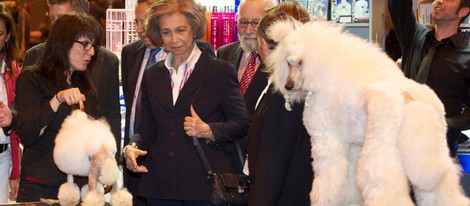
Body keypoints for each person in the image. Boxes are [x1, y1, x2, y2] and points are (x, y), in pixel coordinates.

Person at [123, 0, 250, 205]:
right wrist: (132, 147)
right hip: (160, 186)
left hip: (203, 184)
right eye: (166, 32)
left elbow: (242, 123)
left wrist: (209, 130)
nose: (174, 39)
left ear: (194, 28)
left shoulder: (219, 71)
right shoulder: (152, 75)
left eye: (180, 30)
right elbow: (146, 129)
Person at [15, 12, 102, 202]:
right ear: (63, 42)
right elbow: (27, 134)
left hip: (78, 188)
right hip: (40, 186)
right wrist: (57, 100)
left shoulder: (85, 85)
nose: (92, 52)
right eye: (85, 44)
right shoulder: (32, 78)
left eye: (93, 46)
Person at [23, 0, 121, 160]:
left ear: (82, 19)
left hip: (89, 160)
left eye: (62, 19)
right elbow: (25, 109)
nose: (55, 26)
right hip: (43, 159)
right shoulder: (34, 56)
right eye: (53, 19)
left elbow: (112, 116)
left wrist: (111, 161)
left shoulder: (107, 61)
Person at [247, 3, 313, 205]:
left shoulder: (286, 89)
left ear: (263, 43)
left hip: (284, 195)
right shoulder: (300, 80)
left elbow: (275, 160)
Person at [389, 0, 470, 157]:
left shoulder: (467, 54)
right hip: (400, 145)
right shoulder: (413, 36)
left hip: (440, 152)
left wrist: (446, 124)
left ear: (463, 11)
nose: (439, 1)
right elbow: (397, 5)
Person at [216, 0, 277, 174]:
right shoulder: (224, 53)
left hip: (259, 161)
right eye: (243, 22)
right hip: (223, 159)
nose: (249, 30)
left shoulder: (278, 61)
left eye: (256, 23)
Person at [0, 3, 20, 203]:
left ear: (6, 38)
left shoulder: (12, 71)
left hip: (3, 159)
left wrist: (16, 171)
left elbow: (17, 121)